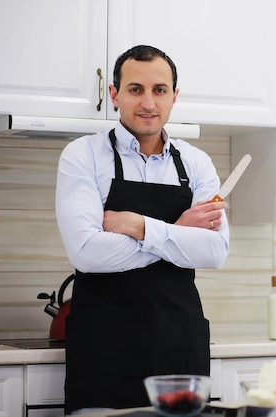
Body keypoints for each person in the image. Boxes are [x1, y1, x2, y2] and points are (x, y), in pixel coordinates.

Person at [55, 45, 230, 415]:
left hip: (180, 351)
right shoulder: (82, 155)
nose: (148, 102)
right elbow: (87, 253)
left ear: (174, 97)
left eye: (159, 90)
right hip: (104, 353)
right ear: (114, 94)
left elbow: (214, 252)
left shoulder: (197, 163)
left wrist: (139, 226)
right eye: (135, 89)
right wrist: (178, 231)